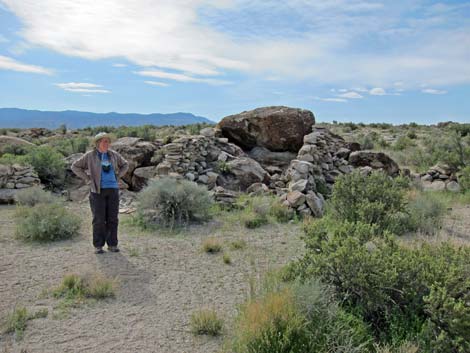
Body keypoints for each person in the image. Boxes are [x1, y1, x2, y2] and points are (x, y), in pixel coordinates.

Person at [71, 132, 129, 254]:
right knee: (99, 219)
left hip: (113, 189)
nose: (107, 143)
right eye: (105, 141)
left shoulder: (113, 155)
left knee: (113, 218)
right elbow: (75, 167)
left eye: (108, 141)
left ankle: (112, 244)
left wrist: (118, 176)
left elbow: (125, 165)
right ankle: (98, 246)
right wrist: (87, 179)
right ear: (98, 143)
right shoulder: (90, 155)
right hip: (97, 191)